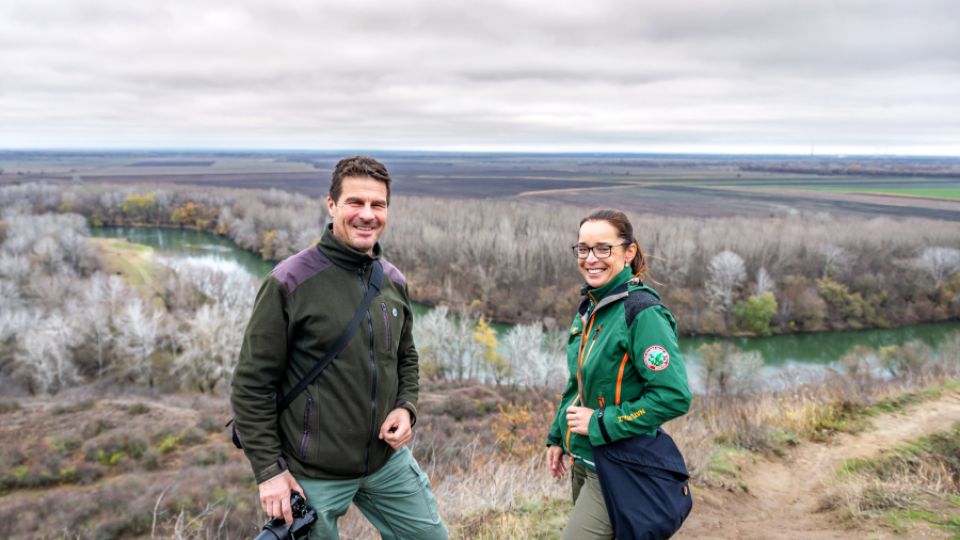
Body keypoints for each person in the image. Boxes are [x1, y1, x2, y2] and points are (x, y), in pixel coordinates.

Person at [230, 156, 448, 540]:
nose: (367, 215)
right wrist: (270, 472)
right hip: (311, 474)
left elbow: (406, 357)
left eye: (377, 205)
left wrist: (406, 407)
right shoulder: (290, 282)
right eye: (355, 203)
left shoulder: (393, 281)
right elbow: (251, 386)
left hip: (385, 463)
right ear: (331, 206)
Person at [546, 208, 692, 539]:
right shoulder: (592, 308)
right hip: (584, 459)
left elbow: (674, 397)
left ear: (629, 253)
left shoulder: (642, 314)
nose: (590, 258)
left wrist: (601, 422)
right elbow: (578, 383)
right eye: (583, 248)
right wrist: (558, 436)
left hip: (619, 466)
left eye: (603, 248)